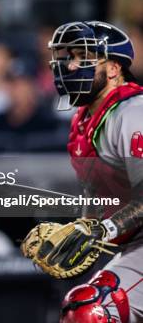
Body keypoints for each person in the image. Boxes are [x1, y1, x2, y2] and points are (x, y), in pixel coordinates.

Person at [42, 21, 143, 322]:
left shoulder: (133, 112)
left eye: (82, 58)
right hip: (138, 243)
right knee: (81, 310)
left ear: (113, 69)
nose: (71, 66)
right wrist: (81, 232)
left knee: (91, 311)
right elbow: (97, 197)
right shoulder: (84, 122)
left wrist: (104, 229)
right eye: (69, 57)